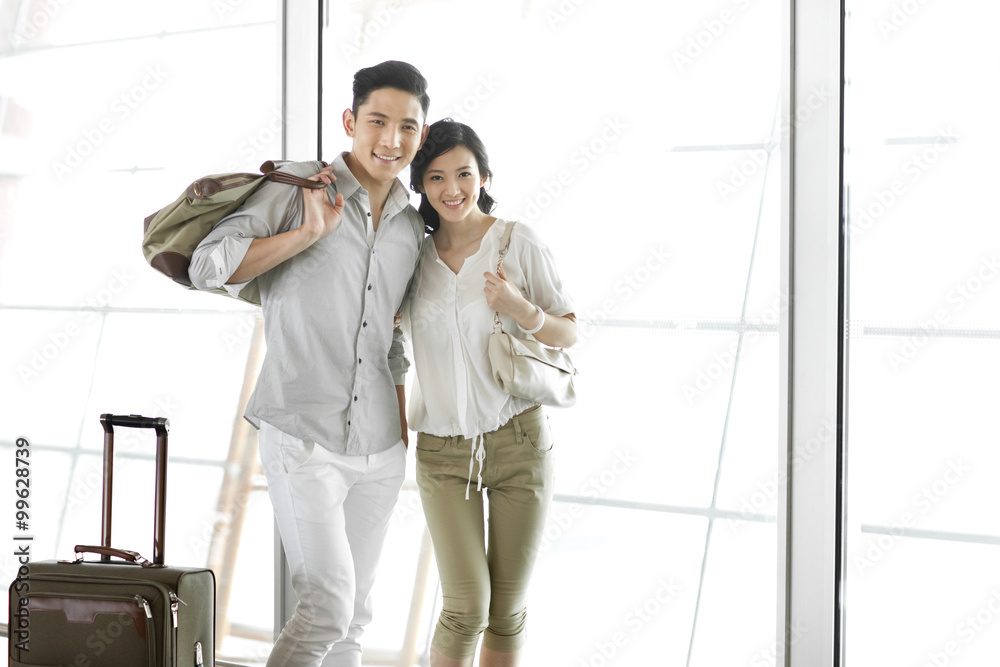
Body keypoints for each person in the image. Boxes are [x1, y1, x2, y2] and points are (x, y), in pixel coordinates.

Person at [188, 61, 430, 667]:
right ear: (350, 122)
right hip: (302, 432)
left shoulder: (412, 228)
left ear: (420, 137)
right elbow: (207, 265)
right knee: (327, 606)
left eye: (407, 127)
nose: (391, 140)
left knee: (355, 618)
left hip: (379, 446)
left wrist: (398, 433)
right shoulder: (300, 190)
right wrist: (306, 234)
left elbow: (391, 339)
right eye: (378, 121)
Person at [404, 119, 578, 667]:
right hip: (441, 451)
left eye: (463, 173)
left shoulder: (515, 240)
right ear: (422, 186)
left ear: (484, 175)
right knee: (465, 607)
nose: (451, 189)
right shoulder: (410, 255)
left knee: (505, 610)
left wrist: (521, 309)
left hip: (518, 442)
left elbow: (569, 331)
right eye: (436, 177)